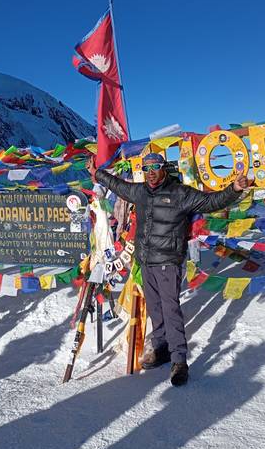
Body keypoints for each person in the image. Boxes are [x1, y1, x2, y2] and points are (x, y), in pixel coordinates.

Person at [87, 152, 249, 386]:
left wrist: (233, 189)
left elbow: (211, 202)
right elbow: (118, 185)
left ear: (164, 168)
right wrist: (97, 175)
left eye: (155, 167)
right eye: (146, 169)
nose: (150, 173)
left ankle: (179, 360)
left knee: (170, 310)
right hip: (145, 262)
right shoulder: (140, 192)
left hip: (168, 263)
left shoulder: (180, 194)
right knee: (155, 309)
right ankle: (162, 349)